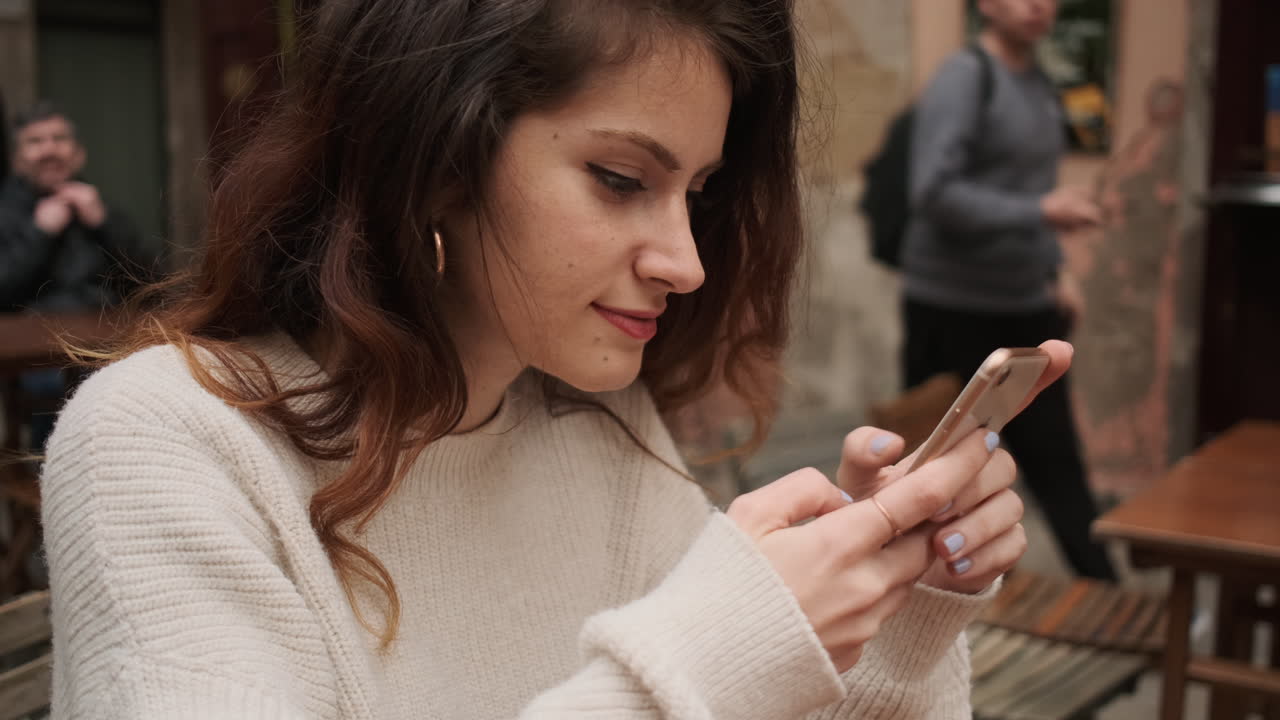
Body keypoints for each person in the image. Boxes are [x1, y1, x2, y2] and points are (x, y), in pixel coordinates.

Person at [42, 2, 1067, 717]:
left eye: (697, 193)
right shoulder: (163, 445)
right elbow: (701, 681)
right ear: (437, 155)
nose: (686, 262)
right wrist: (711, 652)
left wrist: (899, 614)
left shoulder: (600, 433)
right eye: (620, 178)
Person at [900, 0, 1114, 580]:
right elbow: (934, 193)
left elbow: (1032, 191)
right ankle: (940, 611)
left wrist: (1056, 272)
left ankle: (1114, 612)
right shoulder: (966, 77)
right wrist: (1043, 209)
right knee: (941, 476)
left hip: (1022, 305)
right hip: (951, 310)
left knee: (1057, 466)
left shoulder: (1040, 85)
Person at [0, 101, 152, 453]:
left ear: (78, 154)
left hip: (107, 346)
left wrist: (102, 225)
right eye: (35, 141)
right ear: (17, 159)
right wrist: (39, 233)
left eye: (58, 138)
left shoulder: (100, 209)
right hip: (36, 355)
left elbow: (149, 282)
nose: (49, 148)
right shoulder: (6, 214)